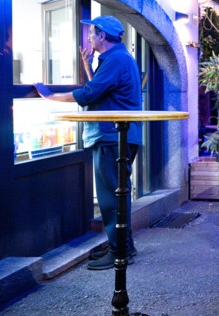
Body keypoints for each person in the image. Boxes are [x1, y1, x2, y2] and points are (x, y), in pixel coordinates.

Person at [34, 15, 142, 270]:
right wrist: (87, 65)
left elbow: (89, 93)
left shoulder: (115, 60)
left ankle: (119, 253)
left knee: (111, 198)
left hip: (111, 138)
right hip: (116, 137)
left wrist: (50, 96)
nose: (89, 37)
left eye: (92, 33)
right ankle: (123, 246)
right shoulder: (118, 59)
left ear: (103, 36)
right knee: (118, 195)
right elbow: (102, 90)